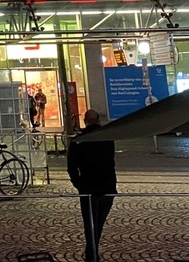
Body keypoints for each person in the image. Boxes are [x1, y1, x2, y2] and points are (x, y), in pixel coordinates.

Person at [68, 109, 117, 262]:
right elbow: (110, 162)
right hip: (107, 187)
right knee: (99, 222)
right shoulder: (108, 139)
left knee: (90, 223)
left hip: (88, 188)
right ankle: (92, 252)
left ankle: (92, 253)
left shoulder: (79, 141)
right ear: (98, 121)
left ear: (85, 120)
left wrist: (79, 184)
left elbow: (71, 167)